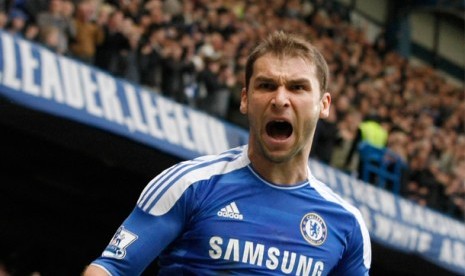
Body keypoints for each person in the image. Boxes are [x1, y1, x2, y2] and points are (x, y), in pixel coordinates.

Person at [83, 31, 371, 276]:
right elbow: (111, 269)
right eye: (266, 85)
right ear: (245, 99)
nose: (280, 99)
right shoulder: (190, 186)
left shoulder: (346, 225)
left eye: (297, 88)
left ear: (324, 104)